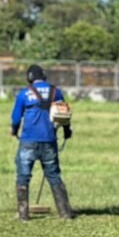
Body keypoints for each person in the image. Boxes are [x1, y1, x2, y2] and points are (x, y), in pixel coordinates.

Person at [10, 64, 73, 221]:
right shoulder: (55, 92)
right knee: (54, 176)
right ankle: (64, 213)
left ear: (29, 78)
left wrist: (14, 130)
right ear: (44, 76)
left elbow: (16, 118)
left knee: (23, 176)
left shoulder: (24, 94)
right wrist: (66, 132)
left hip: (28, 141)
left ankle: (23, 215)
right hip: (49, 140)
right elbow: (64, 114)